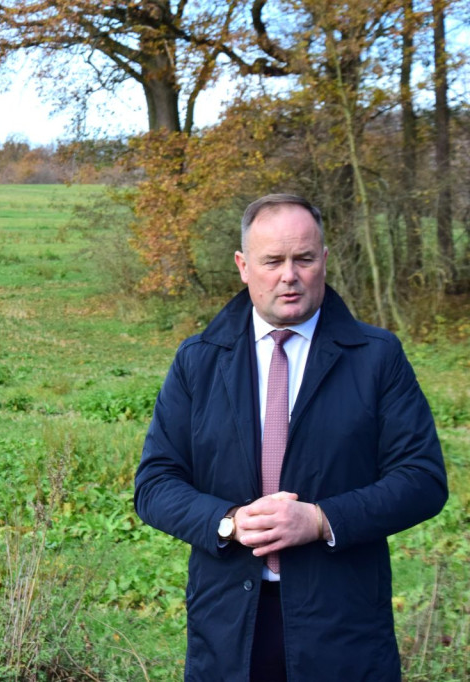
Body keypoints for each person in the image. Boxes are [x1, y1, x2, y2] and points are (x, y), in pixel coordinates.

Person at [134, 194, 448, 681]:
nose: (289, 275)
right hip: (228, 625)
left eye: (303, 258)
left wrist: (322, 520)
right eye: (272, 261)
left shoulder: (376, 357)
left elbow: (422, 479)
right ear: (243, 266)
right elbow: (155, 484)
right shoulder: (199, 359)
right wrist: (228, 522)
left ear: (324, 259)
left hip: (343, 624)